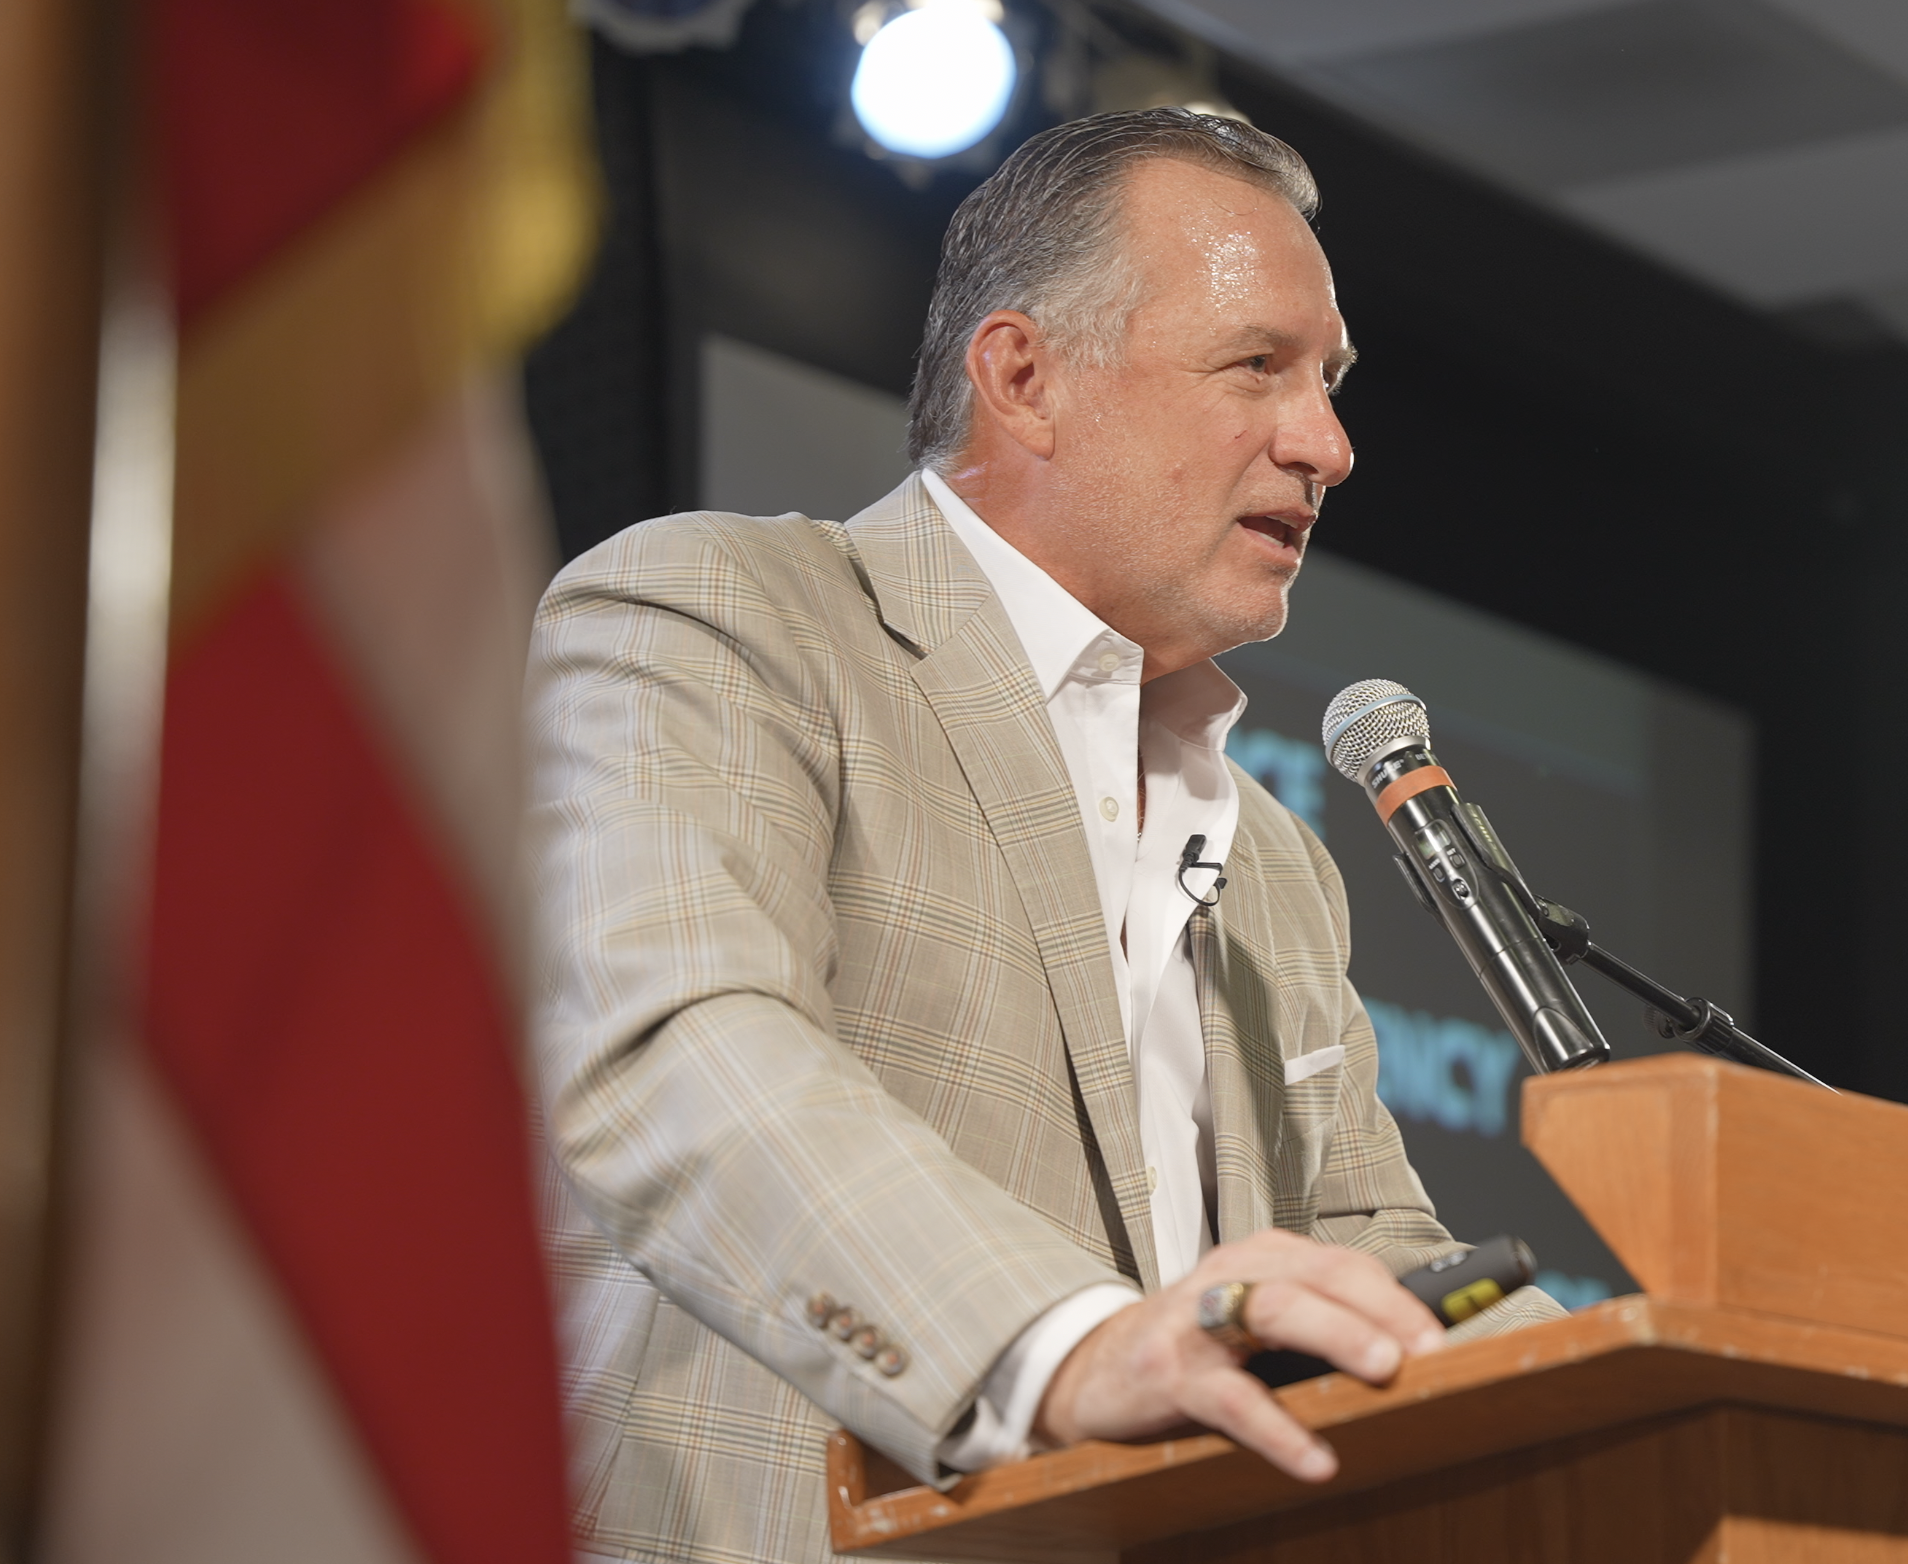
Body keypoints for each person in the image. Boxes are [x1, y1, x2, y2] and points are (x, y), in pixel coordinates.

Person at [527, 109, 1560, 1564]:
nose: (1325, 443)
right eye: (1254, 365)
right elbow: (680, 1046)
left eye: (1326, 382)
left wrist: (1670, 1379)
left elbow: (1366, 1247)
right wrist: (1061, 1347)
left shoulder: (1269, 849)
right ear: (1022, 377)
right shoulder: (725, 617)